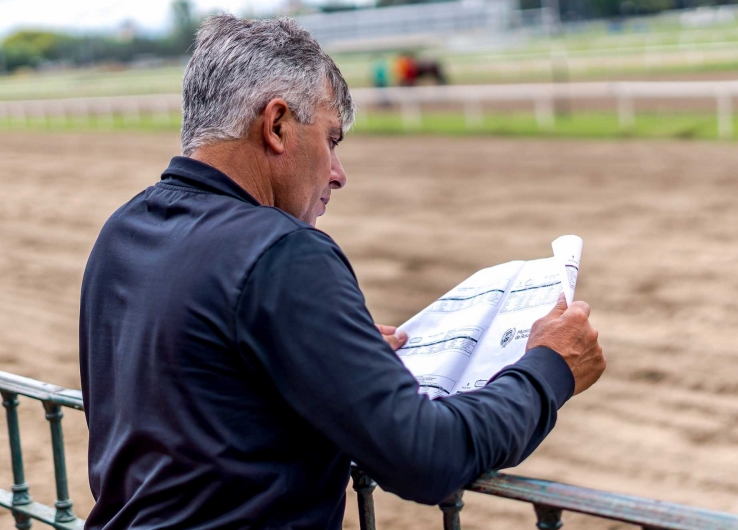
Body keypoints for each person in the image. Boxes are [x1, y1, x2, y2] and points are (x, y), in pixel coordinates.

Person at [79, 15, 605, 530]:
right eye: (332, 140)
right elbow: (427, 457)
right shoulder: (284, 251)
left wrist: (312, 349)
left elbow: (201, 390)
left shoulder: (123, 229)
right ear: (277, 124)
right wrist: (548, 369)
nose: (338, 174)